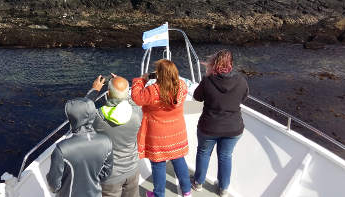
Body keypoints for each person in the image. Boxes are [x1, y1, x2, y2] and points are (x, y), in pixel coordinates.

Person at [191, 50, 248, 197]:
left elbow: (197, 97)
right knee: (225, 156)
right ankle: (223, 189)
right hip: (233, 128)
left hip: (209, 127)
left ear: (214, 63)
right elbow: (243, 97)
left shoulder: (208, 80)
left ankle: (198, 183)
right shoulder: (241, 81)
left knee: (204, 153)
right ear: (231, 64)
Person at [131, 59, 192, 197]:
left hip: (158, 136)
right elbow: (173, 86)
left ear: (159, 74)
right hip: (177, 132)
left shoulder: (152, 90)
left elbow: (136, 97)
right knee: (178, 159)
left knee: (158, 164)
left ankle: (159, 194)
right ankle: (187, 191)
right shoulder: (182, 86)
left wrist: (141, 80)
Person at [86, 74, 143, 197]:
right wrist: (122, 86)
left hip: (110, 175)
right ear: (127, 94)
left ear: (108, 94)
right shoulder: (137, 113)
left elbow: (82, 111)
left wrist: (94, 90)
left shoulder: (97, 118)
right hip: (132, 169)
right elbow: (131, 101)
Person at [46, 97, 114, 197]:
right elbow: (106, 174)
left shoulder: (62, 149)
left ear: (73, 119)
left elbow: (54, 186)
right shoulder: (106, 141)